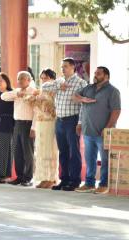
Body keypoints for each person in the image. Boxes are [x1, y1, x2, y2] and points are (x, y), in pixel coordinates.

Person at [42, 58, 88, 191]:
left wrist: (79, 122)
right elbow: (44, 87)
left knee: (74, 151)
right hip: (60, 121)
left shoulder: (81, 83)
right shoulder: (59, 81)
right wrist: (58, 86)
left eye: (66, 67)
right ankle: (64, 179)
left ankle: (74, 181)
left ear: (73, 67)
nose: (63, 69)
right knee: (63, 152)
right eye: (62, 67)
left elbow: (83, 106)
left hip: (72, 121)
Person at [74, 66, 121, 194]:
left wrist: (108, 128)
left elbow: (116, 111)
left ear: (106, 76)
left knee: (105, 160)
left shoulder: (113, 91)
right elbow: (75, 96)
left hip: (103, 132)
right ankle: (89, 183)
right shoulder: (89, 88)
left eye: (98, 73)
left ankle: (104, 184)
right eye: (95, 73)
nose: (95, 75)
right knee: (90, 159)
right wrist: (83, 99)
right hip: (88, 130)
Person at [1, 71, 36, 187]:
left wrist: (34, 127)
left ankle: (28, 177)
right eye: (18, 79)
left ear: (29, 80)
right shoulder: (16, 91)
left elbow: (36, 111)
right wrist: (17, 95)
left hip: (28, 124)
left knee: (28, 152)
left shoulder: (33, 91)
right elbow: (3, 96)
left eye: (22, 79)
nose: (20, 81)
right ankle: (19, 176)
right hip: (17, 124)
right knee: (17, 152)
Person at [30, 69, 59, 188]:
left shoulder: (55, 93)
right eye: (41, 78)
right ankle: (43, 177)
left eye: (45, 78)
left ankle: (51, 178)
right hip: (40, 124)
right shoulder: (40, 92)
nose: (43, 81)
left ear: (52, 79)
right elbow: (36, 112)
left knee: (50, 151)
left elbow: (57, 110)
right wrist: (33, 127)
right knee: (41, 150)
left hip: (51, 123)